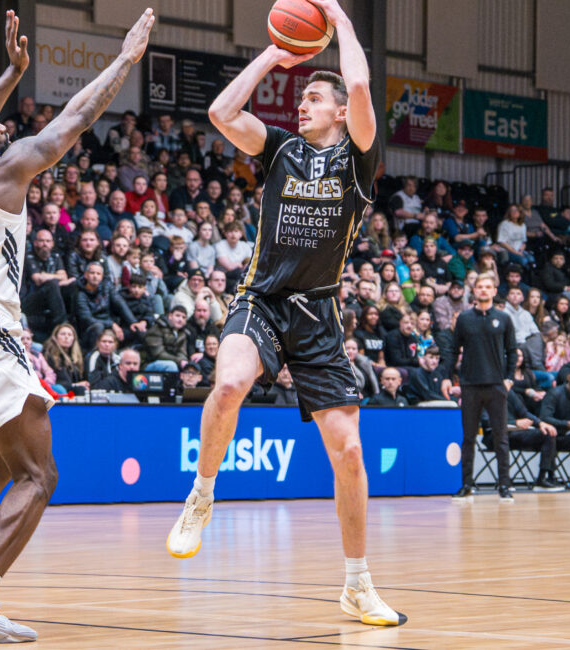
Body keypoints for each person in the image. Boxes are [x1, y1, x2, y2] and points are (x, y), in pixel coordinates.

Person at [0, 11, 152, 642]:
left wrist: (13, 73)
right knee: (38, 476)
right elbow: (75, 118)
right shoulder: (7, 167)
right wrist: (125, 61)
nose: (4, 121)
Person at [165, 0, 403, 627]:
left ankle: (356, 583)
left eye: (314, 98)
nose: (303, 104)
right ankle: (202, 493)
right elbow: (221, 112)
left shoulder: (358, 157)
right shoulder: (279, 150)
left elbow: (357, 81)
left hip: (319, 316)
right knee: (232, 382)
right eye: (300, 98)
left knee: (349, 452)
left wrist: (335, 16)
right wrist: (275, 52)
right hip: (262, 300)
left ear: (339, 111)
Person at [452, 273, 517, 501]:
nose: (483, 290)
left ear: (493, 290)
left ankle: (504, 486)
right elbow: (453, 349)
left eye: (488, 286)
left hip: (496, 386)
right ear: (474, 290)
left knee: (501, 438)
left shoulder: (504, 318)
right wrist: (449, 378)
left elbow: (512, 351)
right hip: (470, 385)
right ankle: (466, 485)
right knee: (468, 438)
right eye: (480, 286)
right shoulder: (464, 318)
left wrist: (509, 378)